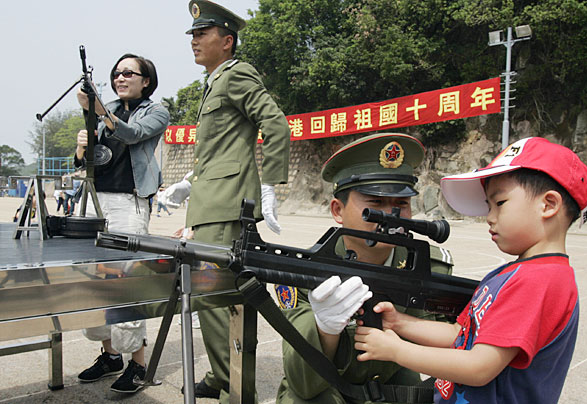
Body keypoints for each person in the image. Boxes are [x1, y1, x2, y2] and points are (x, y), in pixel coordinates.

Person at [354, 137, 587, 404]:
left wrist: (396, 350)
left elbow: (479, 367)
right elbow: (461, 336)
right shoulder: (515, 273)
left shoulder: (538, 280)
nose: (490, 217)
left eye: (500, 203)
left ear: (548, 205)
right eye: (488, 206)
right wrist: (400, 323)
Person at [276, 133, 454, 403]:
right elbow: (303, 384)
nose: (391, 217)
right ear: (338, 210)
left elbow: (461, 351)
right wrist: (324, 330)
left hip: (393, 389)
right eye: (376, 204)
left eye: (401, 204)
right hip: (326, 392)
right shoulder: (305, 274)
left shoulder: (429, 268)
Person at [183, 1, 291, 400]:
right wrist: (188, 183)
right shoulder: (214, 81)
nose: (194, 41)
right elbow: (219, 149)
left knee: (217, 300)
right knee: (212, 299)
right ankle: (221, 375)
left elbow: (275, 124)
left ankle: (235, 388)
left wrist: (270, 184)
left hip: (226, 205)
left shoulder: (236, 75)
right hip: (211, 200)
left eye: (202, 34)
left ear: (227, 41)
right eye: (193, 35)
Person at [73, 53, 169, 394]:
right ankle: (110, 355)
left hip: (129, 203)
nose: (120, 78)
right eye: (116, 73)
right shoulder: (104, 110)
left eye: (129, 72)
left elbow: (132, 134)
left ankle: (138, 364)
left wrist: (99, 111)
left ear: (146, 80)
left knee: (127, 283)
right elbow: (85, 162)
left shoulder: (156, 111)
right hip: (94, 201)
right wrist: (82, 147)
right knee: (95, 281)